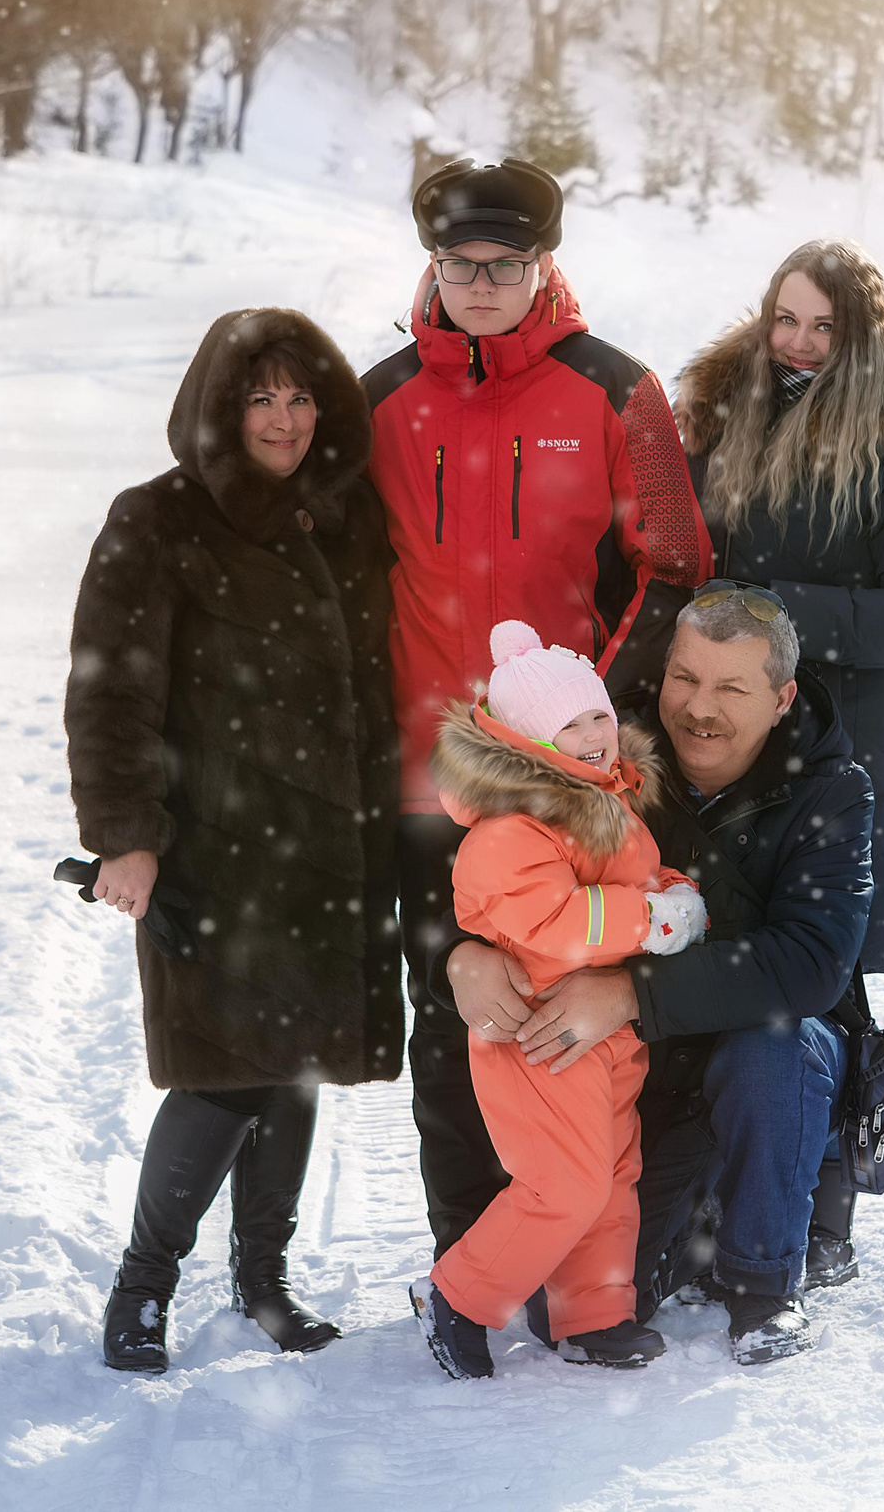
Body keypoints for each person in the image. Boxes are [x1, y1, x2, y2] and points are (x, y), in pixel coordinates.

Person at [361, 157, 711, 1258]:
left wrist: (580, 708)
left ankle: (608, 1257)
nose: (479, 283)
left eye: (504, 265)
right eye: (458, 264)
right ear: (432, 263)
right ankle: (466, 1255)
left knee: (591, 1009)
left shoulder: (615, 389)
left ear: (542, 263)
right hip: (429, 777)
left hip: (576, 780)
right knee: (459, 1011)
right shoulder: (378, 401)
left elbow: (674, 565)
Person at [64, 308, 402, 1375]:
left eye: (301, 396)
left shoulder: (348, 518)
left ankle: (264, 1284)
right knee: (219, 1071)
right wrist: (126, 839)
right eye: (259, 397)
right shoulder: (154, 520)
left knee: (292, 1067)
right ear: (218, 407)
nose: (284, 418)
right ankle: (143, 1286)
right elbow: (109, 695)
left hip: (330, 845)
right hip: (212, 845)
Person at [445, 588, 875, 1364]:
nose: (697, 708)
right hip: (656, 1081)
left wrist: (629, 994)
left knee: (770, 1043)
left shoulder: (832, 790)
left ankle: (764, 1284)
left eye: (731, 688)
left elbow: (807, 964)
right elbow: (505, 867)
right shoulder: (602, 748)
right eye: (684, 678)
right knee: (573, 1305)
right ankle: (701, 1224)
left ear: (781, 699)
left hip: (774, 1056)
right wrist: (462, 952)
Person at [672, 239, 884, 1283]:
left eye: (821, 327)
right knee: (729, 966)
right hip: (727, 740)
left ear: (860, 337)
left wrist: (774, 616)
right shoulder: (717, 423)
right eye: (782, 320)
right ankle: (718, 1209)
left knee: (826, 982)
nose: (797, 344)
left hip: (849, 744)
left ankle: (822, 1217)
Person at [410, 622, 706, 1380]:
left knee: (611, 1172)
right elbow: (551, 925)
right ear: (527, 741)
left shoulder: (606, 801)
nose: (592, 733)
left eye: (599, 715)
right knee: (563, 1183)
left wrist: (673, 894)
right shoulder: (512, 827)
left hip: (600, 1032)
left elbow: (631, 879)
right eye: (568, 724)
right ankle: (459, 1295)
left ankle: (595, 1314)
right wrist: (650, 921)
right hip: (537, 1034)